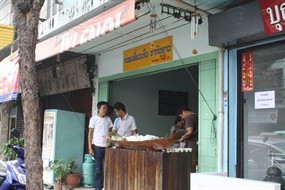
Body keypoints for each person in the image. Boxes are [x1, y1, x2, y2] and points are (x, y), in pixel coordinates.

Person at [88, 101, 113, 190]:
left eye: (106, 108)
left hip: (107, 147)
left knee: (108, 168)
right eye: (103, 108)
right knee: (98, 169)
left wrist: (109, 137)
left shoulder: (108, 119)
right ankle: (98, 188)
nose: (105, 110)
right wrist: (90, 148)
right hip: (97, 147)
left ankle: (107, 186)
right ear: (99, 109)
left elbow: (111, 132)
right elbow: (90, 134)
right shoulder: (93, 119)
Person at [178, 105, 198, 171]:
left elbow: (189, 132)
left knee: (189, 166)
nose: (182, 118)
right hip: (196, 144)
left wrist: (181, 138)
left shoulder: (190, 118)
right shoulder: (196, 116)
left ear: (184, 112)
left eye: (181, 116)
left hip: (191, 145)